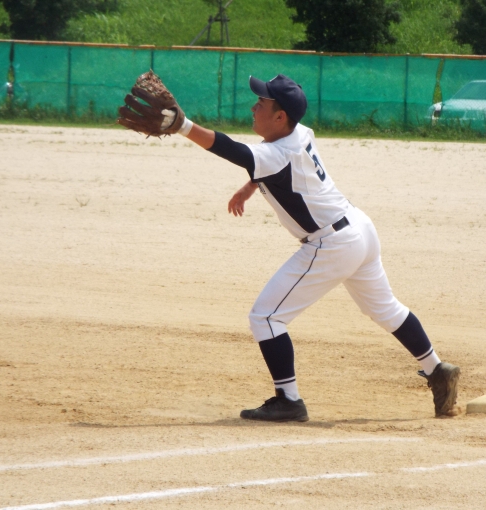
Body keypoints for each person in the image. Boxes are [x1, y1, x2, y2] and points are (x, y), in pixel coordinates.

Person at [177, 74, 460, 421]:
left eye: (261, 103)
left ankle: (289, 401)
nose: (253, 107)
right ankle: (437, 370)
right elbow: (267, 164)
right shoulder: (299, 133)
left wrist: (183, 125)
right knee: (386, 309)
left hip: (333, 244)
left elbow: (233, 150)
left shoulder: (276, 151)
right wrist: (250, 187)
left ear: (280, 116)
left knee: (266, 317)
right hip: (359, 228)